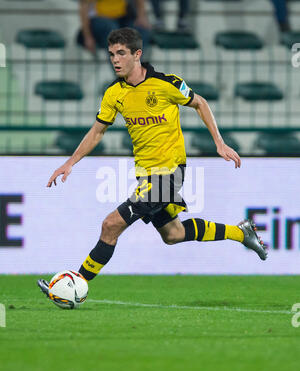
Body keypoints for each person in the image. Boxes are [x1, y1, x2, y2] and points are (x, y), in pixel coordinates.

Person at [38, 27, 267, 296]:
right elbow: (98, 130)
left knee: (111, 225)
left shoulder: (166, 83)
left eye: (121, 53)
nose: (115, 60)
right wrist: (70, 162)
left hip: (169, 172)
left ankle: (74, 284)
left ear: (137, 54)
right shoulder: (114, 93)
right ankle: (242, 232)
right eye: (111, 54)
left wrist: (219, 142)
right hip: (146, 175)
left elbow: (200, 103)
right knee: (174, 234)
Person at [77, 0, 151, 55]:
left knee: (141, 32)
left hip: (122, 18)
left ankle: (133, 68)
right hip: (100, 20)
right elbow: (84, 8)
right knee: (113, 32)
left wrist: (141, 16)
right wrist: (87, 36)